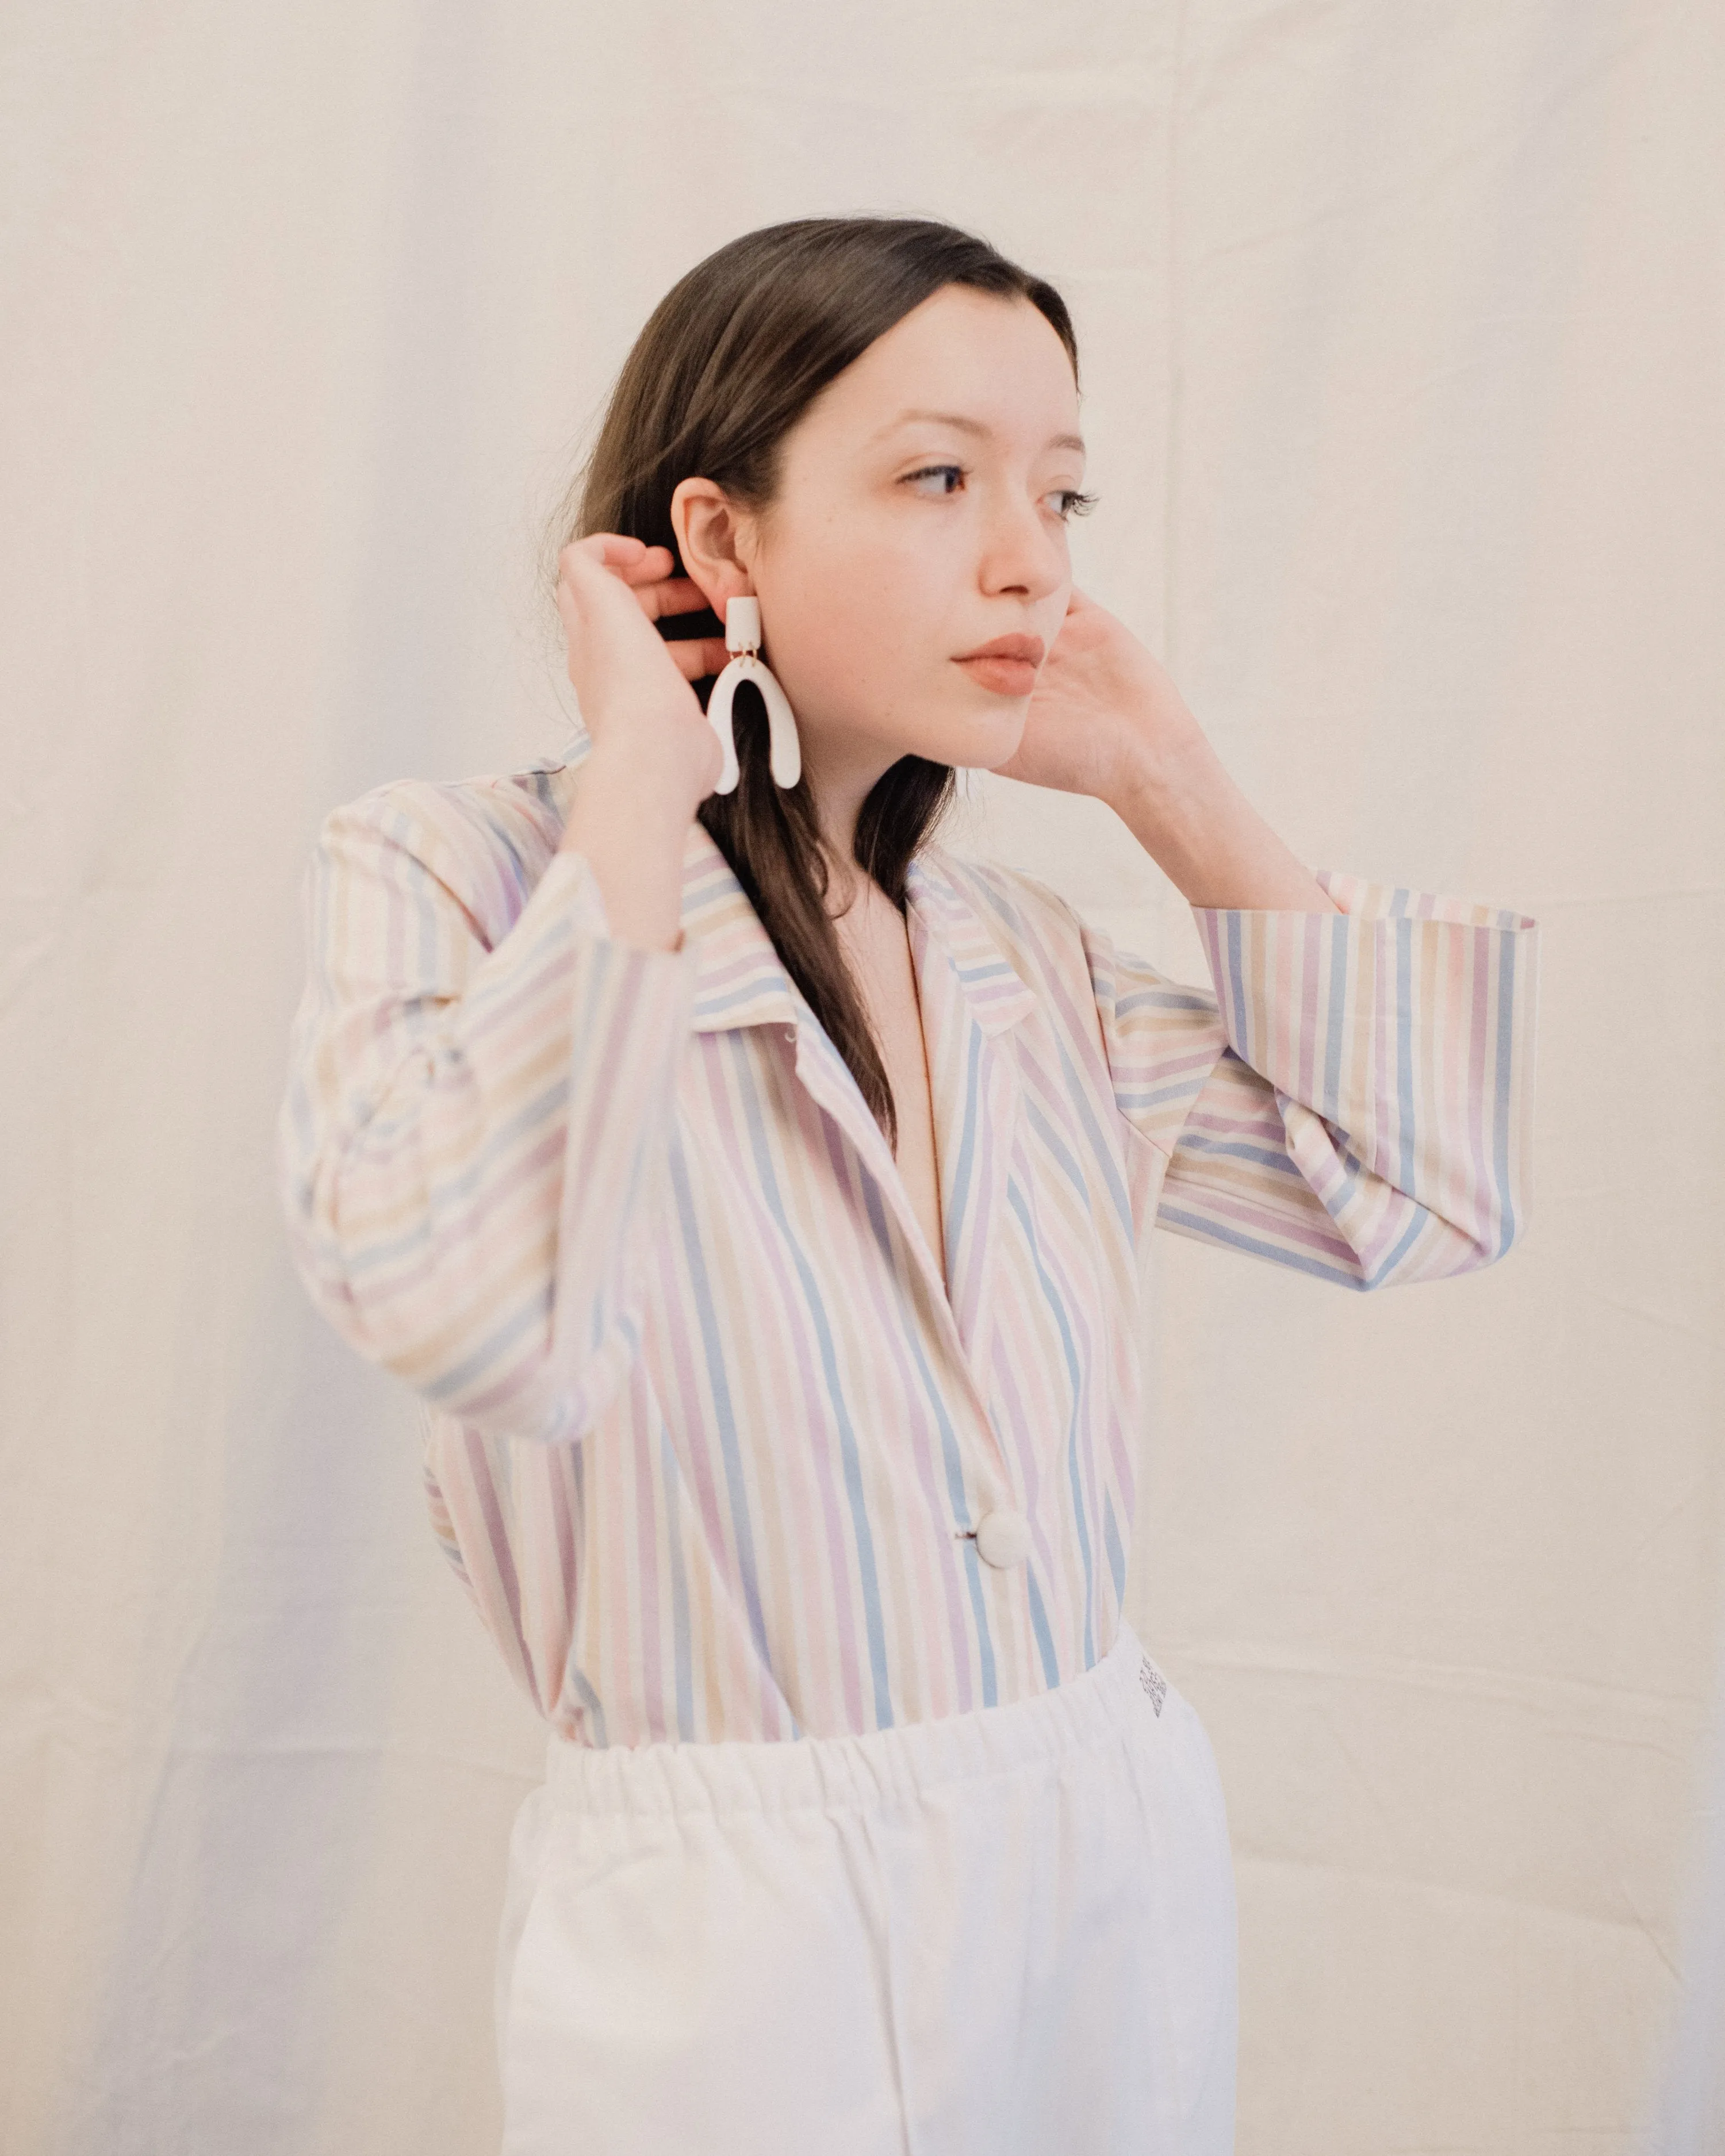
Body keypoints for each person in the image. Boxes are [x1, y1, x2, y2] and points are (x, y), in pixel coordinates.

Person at [276, 216, 1539, 2155]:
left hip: (1103, 1846)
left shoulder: (1017, 954)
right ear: (718, 541)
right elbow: (477, 1309)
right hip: (738, 1928)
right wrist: (641, 764)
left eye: (1062, 489)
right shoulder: (463, 875)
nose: (1029, 554)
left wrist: (1167, 775)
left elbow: (1423, 1194)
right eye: (942, 475)